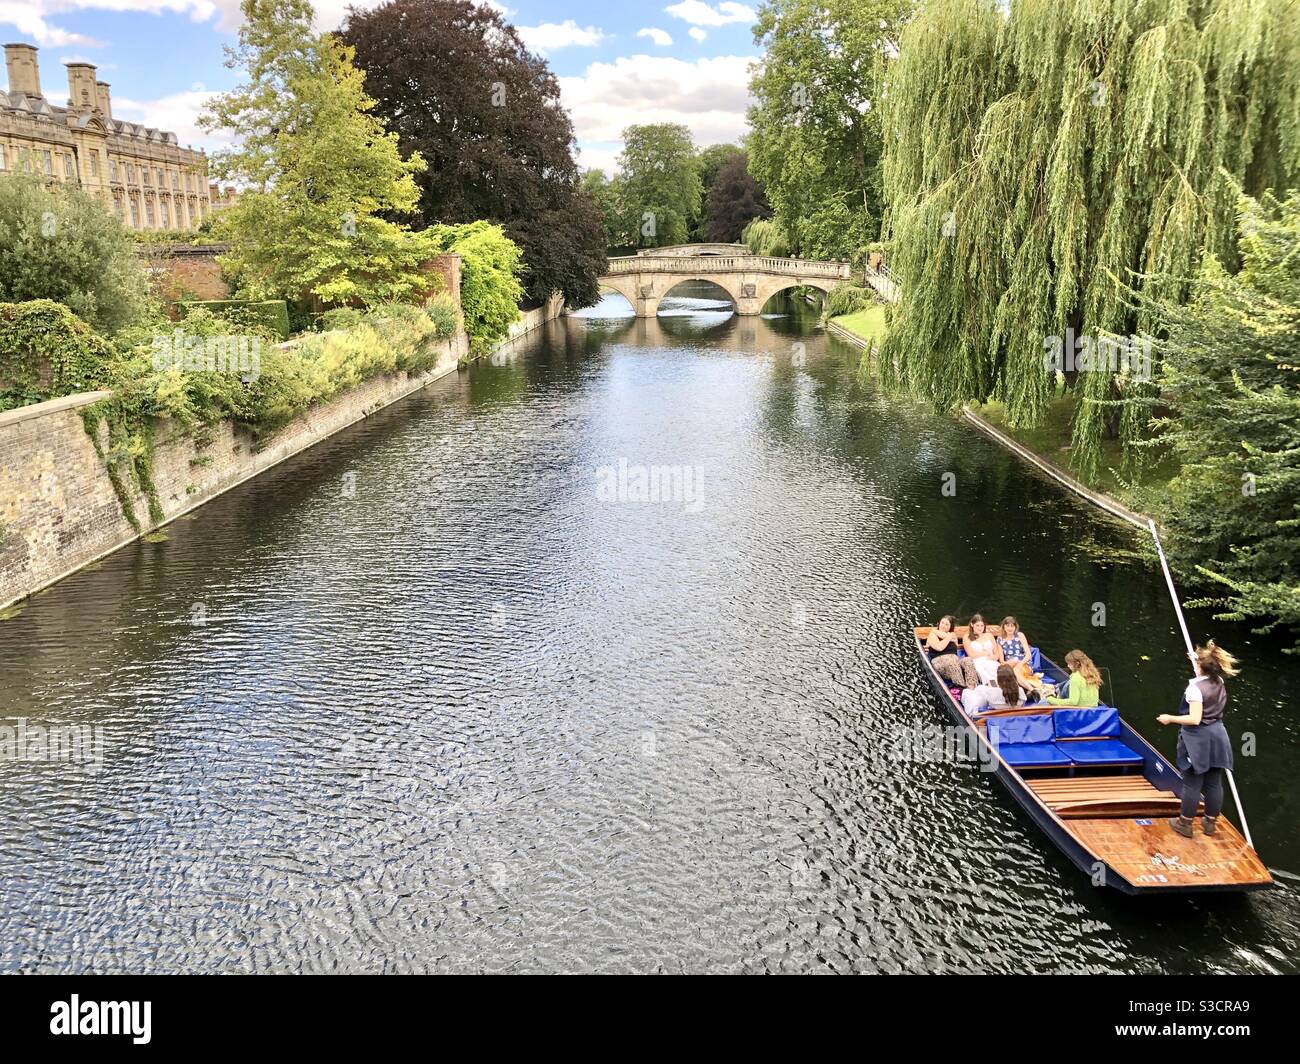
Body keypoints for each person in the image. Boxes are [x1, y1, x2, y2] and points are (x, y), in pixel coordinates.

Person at [1158, 642, 1240, 839]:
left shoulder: (1194, 688)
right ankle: (1210, 823)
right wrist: (1196, 658)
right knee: (1213, 782)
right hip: (1218, 736)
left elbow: (1194, 719)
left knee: (1192, 784)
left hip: (1198, 740)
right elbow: (1204, 672)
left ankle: (1185, 824)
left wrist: (1170, 719)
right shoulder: (1219, 680)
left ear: (1201, 667)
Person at [961, 663, 1032, 715]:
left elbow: (978, 692)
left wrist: (992, 687)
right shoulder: (1020, 690)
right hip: (1011, 713)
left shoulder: (991, 692)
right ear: (1013, 677)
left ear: (999, 679)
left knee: (966, 692)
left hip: (994, 714)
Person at [962, 613, 1002, 686]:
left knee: (995, 669)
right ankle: (993, 687)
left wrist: (994, 657)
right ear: (972, 625)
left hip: (991, 660)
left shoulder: (989, 635)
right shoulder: (967, 637)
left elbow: (997, 653)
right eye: (977, 625)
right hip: (978, 662)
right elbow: (971, 655)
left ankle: (1003, 688)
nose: (980, 628)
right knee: (985, 673)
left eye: (982, 625)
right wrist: (986, 653)